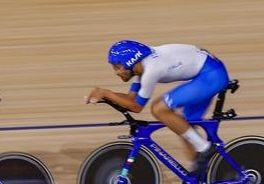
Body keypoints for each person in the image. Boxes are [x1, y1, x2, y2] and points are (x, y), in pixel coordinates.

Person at [86, 40, 230, 174]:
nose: (116, 72)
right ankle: (199, 176)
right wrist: (105, 96)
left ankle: (205, 148)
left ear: (130, 62)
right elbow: (131, 99)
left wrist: (106, 93)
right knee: (184, 127)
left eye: (118, 67)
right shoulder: (140, 68)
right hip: (207, 72)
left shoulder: (151, 70)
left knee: (159, 108)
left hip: (211, 75)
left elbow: (136, 107)